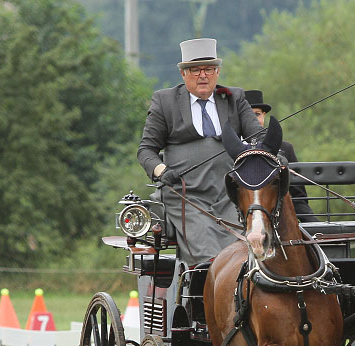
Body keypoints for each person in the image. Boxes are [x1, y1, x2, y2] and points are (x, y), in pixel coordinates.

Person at [137, 38, 263, 263]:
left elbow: (258, 137)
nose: (203, 75)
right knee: (210, 258)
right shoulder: (165, 101)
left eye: (209, 69)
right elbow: (146, 150)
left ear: (217, 72)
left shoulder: (234, 97)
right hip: (187, 196)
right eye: (195, 70)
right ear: (183, 73)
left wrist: (269, 153)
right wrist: (161, 170)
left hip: (230, 195)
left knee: (242, 256)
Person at [244, 90, 319, 223]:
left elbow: (298, 196)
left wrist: (313, 223)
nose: (253, 120)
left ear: (264, 116)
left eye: (257, 114)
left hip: (279, 219)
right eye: (249, 115)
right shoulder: (229, 151)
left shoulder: (285, 149)